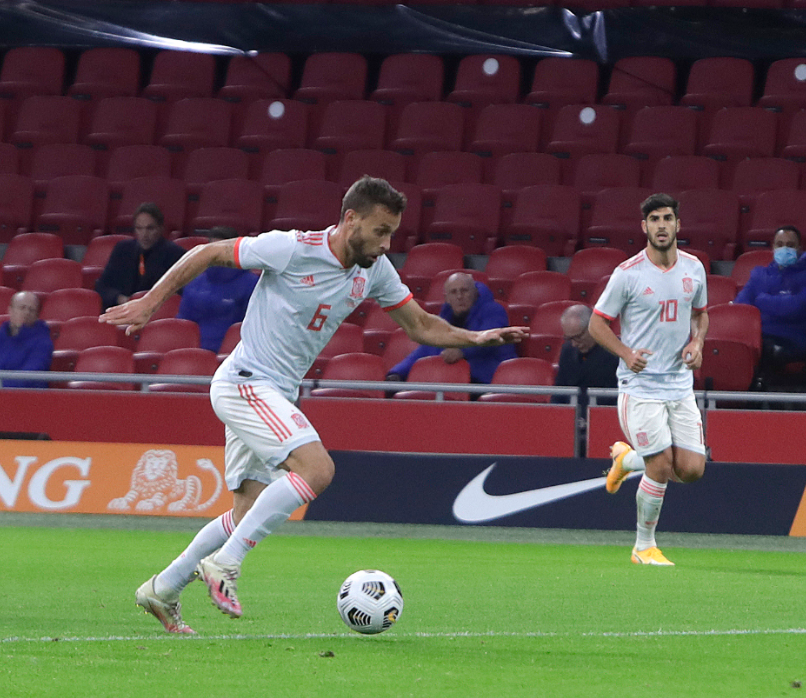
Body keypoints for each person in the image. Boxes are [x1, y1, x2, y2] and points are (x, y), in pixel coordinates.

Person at [101, 176, 527, 633]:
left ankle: (162, 589)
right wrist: (151, 303)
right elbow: (208, 252)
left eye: (393, 234)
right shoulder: (292, 248)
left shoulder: (374, 270)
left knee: (246, 513)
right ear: (350, 219)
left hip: (276, 391)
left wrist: (476, 337)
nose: (387, 244)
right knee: (318, 470)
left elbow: (421, 324)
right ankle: (226, 564)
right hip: (246, 381)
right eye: (381, 231)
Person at [591, 193, 708, 567]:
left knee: (690, 470)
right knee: (660, 466)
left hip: (679, 385)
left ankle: (626, 460)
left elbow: (701, 314)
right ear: (644, 227)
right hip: (640, 388)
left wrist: (698, 340)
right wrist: (627, 353)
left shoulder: (694, 269)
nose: (661, 225)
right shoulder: (627, 274)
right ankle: (644, 546)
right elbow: (596, 323)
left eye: (668, 218)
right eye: (654, 219)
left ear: (678, 225)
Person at [386, 272, 516, 384]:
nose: (459, 296)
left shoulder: (493, 310)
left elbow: (488, 339)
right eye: (454, 292)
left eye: (464, 290)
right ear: (447, 298)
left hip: (491, 380)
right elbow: (426, 349)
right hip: (457, 380)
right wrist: (397, 373)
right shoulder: (445, 318)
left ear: (475, 293)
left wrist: (461, 352)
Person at [734, 225, 806, 388]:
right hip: (757, 337)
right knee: (735, 349)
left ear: (799, 248)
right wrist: (776, 302)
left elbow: (795, 307)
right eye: (780, 244)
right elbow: (741, 305)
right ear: (773, 247)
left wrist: (761, 299)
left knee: (764, 352)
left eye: (790, 245)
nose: (784, 249)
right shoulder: (759, 274)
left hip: (792, 340)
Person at [177, 227, 258, 353]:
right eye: (212, 249)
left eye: (221, 250)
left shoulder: (251, 284)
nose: (216, 254)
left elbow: (253, 329)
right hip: (194, 356)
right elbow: (183, 325)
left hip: (234, 356)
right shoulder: (194, 283)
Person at [95, 203, 185, 309]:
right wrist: (120, 299)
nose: (144, 235)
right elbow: (102, 287)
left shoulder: (176, 254)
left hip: (156, 314)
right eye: (139, 228)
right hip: (121, 311)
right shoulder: (122, 250)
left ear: (161, 229)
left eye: (150, 228)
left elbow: (179, 295)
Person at [553, 303, 618, 405]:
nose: (574, 344)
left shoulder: (617, 351)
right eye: (569, 338)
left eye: (578, 337)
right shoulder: (567, 350)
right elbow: (559, 392)